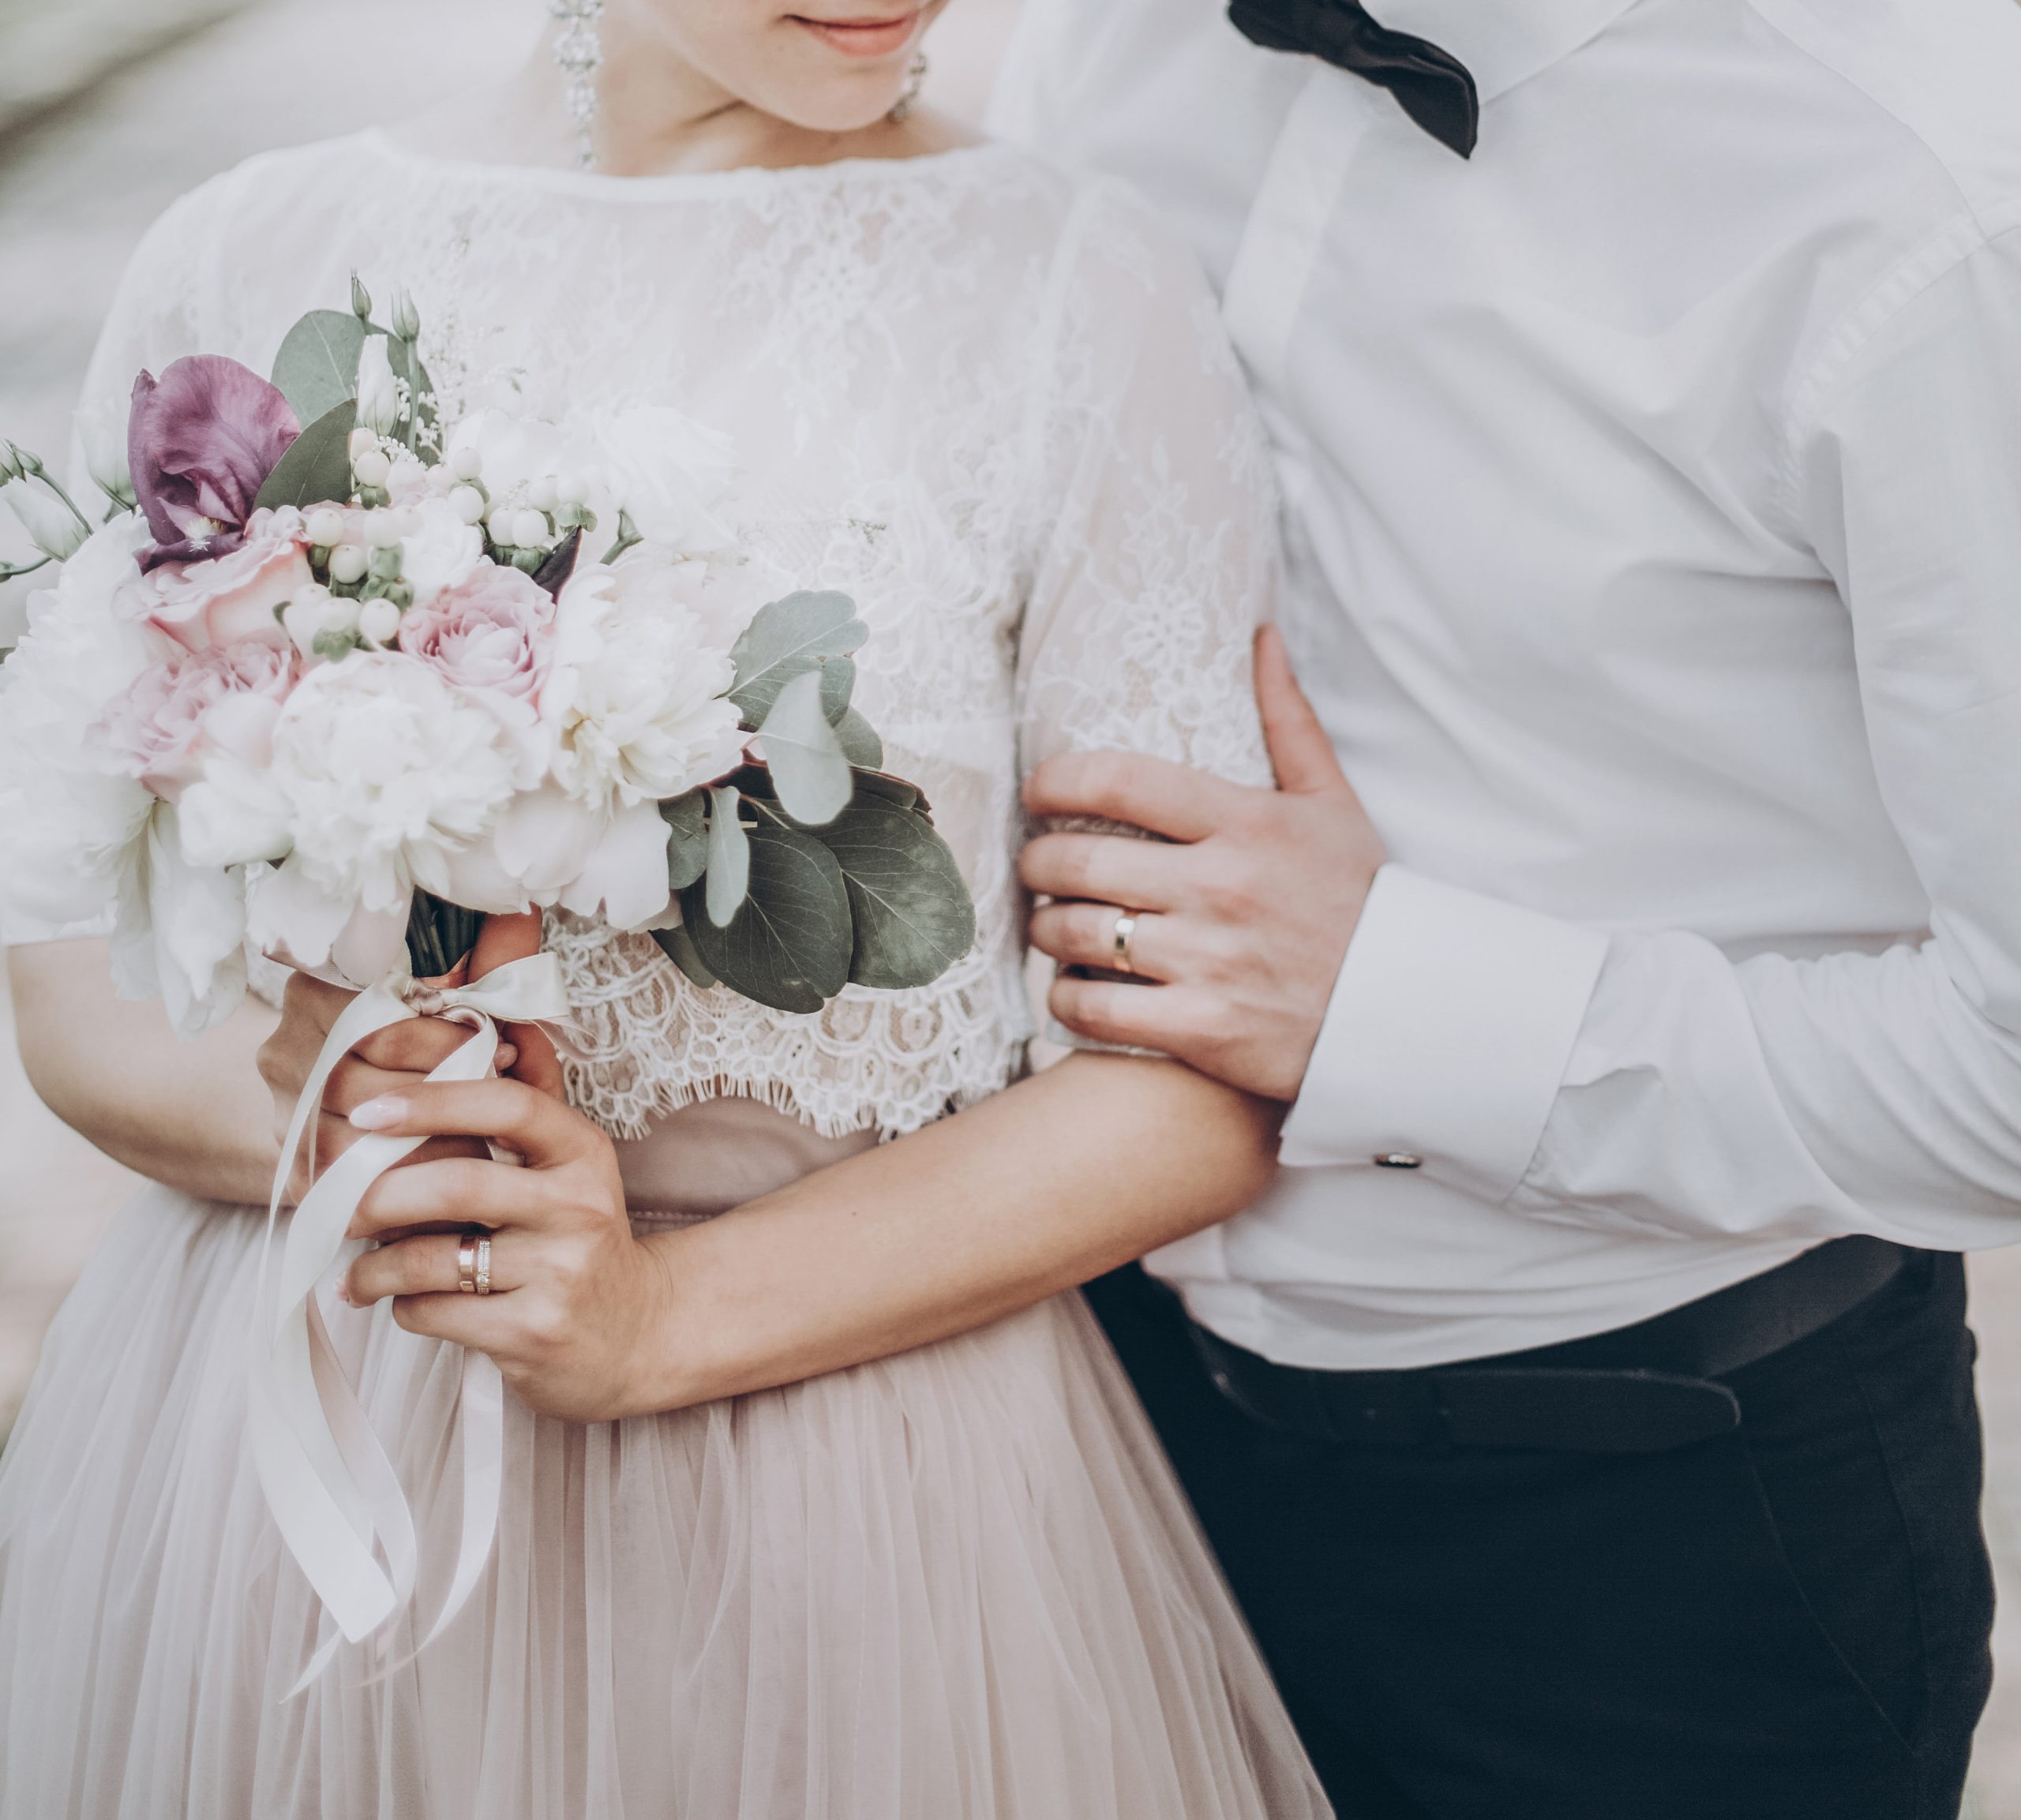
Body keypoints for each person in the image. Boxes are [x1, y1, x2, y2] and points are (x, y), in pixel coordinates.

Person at [0, 5, 1335, 1814]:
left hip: (845, 1466)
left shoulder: (1076, 293)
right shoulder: (246, 252)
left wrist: (654, 1317)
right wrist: (374, 1113)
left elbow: (1192, 1084)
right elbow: (74, 958)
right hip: (296, 1442)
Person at [989, 1, 2021, 1816]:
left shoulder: (1922, 191)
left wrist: (1400, 1003)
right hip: (1085, 1428)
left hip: (1656, 1527)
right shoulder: (1093, 42)